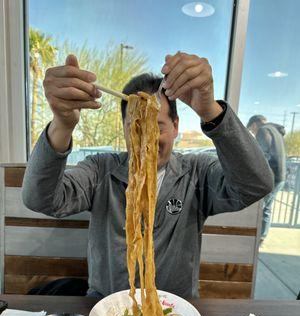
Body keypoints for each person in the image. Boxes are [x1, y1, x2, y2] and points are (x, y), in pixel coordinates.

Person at [22, 52, 273, 299]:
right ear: (124, 130)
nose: (147, 139)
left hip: (175, 314)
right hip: (107, 310)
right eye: (137, 128)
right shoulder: (101, 170)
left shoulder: (197, 174)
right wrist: (62, 124)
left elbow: (255, 184)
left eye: (158, 126)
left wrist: (211, 111)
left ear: (175, 126)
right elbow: (40, 198)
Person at [247, 115, 286, 242]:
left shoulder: (263, 130)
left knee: (258, 208)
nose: (253, 133)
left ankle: (254, 239)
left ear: (254, 124)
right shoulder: (275, 131)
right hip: (280, 175)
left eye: (252, 131)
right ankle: (262, 236)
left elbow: (263, 155)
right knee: (266, 208)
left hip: (271, 177)